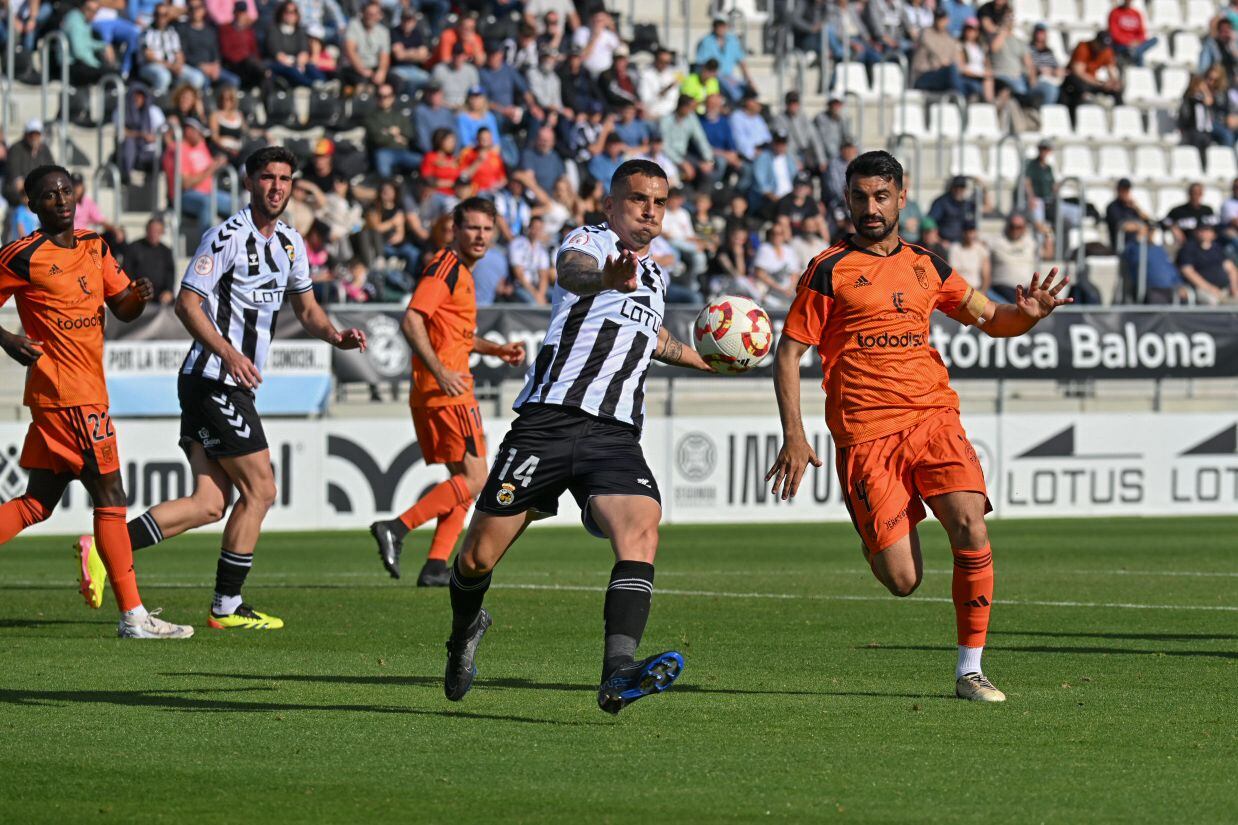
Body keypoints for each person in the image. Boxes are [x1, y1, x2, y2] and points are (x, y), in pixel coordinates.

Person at [766, 150, 1071, 703]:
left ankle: (970, 670)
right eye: (859, 197)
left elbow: (991, 318)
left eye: (881, 196)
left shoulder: (928, 265)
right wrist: (795, 434)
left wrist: (1027, 313)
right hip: (865, 434)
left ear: (901, 198)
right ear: (848, 200)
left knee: (970, 524)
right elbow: (788, 355)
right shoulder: (829, 270)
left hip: (933, 418)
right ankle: (876, 534)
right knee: (903, 580)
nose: (870, 208)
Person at [439, 160, 713, 714]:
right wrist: (607, 278)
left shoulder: (656, 276)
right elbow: (572, 272)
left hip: (614, 434)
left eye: (659, 203)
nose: (649, 211)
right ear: (611, 204)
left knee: (641, 529)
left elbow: (653, 339)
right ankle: (465, 630)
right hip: (548, 423)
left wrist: (711, 361)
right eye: (638, 199)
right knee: (475, 560)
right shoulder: (589, 241)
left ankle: (618, 673)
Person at [97, 147, 368, 630]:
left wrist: (335, 334)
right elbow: (187, 304)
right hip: (213, 379)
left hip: (222, 381)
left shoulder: (289, 243)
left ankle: (106, 547)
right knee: (262, 490)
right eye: (268, 178)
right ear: (249, 182)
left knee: (209, 503)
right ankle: (226, 606)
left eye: (285, 178)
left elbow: (306, 310)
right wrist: (228, 352)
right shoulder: (226, 236)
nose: (277, 187)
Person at [0, 165, 192, 638]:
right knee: (111, 496)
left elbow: (121, 306)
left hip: (83, 391)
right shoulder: (21, 256)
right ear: (32, 206)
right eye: (48, 195)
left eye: (66, 191)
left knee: (37, 504)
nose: (60, 200)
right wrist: (7, 339)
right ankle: (134, 616)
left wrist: (138, 297)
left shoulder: (95, 245)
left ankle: (134, 616)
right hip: (68, 395)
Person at [370, 198, 526, 585]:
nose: (480, 236)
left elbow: (458, 335)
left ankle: (436, 565)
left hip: (439, 389)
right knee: (476, 479)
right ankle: (397, 528)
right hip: (448, 391)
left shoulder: (462, 272)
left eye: (487, 229)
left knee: (462, 482)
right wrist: (441, 372)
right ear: (454, 229)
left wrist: (496, 349)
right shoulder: (446, 268)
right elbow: (411, 320)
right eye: (472, 227)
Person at [1060, 31, 1123, 115]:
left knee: (1116, 91)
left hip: (1092, 81)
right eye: (1101, 45)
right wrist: (1099, 83)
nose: (1102, 48)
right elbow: (1078, 72)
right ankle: (1075, 120)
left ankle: (1121, 115)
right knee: (1079, 88)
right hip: (1075, 80)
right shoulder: (1083, 47)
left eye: (1104, 46)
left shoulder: (1106, 50)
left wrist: (1114, 83)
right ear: (1095, 42)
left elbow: (1111, 70)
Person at [1176, 219, 1238, 303]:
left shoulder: (1217, 248)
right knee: (1211, 301)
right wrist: (1210, 288)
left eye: (1208, 230)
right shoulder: (1188, 249)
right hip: (1202, 289)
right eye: (1201, 230)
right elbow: (1188, 272)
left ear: (1213, 233)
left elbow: (1231, 269)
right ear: (1196, 232)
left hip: (1225, 288)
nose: (1204, 233)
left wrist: (1234, 288)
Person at [366, 84, 421, 179]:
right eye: (380, 96)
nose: (383, 99)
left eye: (387, 96)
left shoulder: (400, 115)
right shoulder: (371, 117)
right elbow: (377, 139)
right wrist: (395, 134)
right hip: (384, 151)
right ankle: (387, 188)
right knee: (383, 166)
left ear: (393, 97)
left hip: (403, 151)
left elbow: (410, 133)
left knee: (425, 162)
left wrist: (387, 132)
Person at [696, 16, 752, 101]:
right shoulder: (706, 41)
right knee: (732, 91)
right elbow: (702, 63)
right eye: (718, 26)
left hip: (728, 76)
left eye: (723, 26)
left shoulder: (733, 40)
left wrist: (748, 79)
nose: (721, 29)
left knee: (745, 89)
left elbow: (741, 61)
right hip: (713, 76)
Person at [124, 216, 177, 304]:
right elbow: (127, 272)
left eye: (157, 231)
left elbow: (170, 274)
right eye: (152, 230)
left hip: (160, 296)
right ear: (147, 230)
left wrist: (169, 291)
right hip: (138, 294)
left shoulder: (166, 251)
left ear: (162, 232)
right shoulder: (134, 247)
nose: (154, 233)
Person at [341, 1, 390, 89]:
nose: (371, 17)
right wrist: (362, 70)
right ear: (363, 14)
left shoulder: (383, 32)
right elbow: (351, 50)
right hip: (354, 68)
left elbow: (384, 55)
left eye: (374, 14)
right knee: (362, 83)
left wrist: (382, 71)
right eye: (369, 14)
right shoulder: (354, 25)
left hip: (374, 68)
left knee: (394, 80)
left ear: (379, 16)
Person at [988, 213, 1038, 302]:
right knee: (1017, 303)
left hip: (1026, 287)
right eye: (1012, 226)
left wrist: (1048, 234)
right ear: (1007, 226)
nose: (1015, 230)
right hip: (1002, 286)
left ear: (1024, 228)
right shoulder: (995, 242)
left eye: (1019, 227)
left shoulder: (1031, 242)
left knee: (1049, 300)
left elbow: (1048, 254)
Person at [1104, 177, 1151, 249]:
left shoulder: (1132, 207)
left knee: (1152, 229)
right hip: (1124, 245)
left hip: (1138, 244)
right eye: (1123, 190)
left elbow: (1147, 220)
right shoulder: (1112, 207)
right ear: (1118, 190)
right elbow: (1121, 225)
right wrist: (1140, 227)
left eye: (1127, 190)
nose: (1125, 193)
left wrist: (1136, 207)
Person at [928, 176, 976, 245]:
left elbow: (971, 226)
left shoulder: (967, 204)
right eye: (956, 187)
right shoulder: (941, 202)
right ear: (951, 188)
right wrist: (939, 240)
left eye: (961, 187)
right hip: (944, 242)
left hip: (962, 243)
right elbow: (930, 222)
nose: (958, 190)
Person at [1108, 0, 1157, 67]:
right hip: (1121, 44)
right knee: (1138, 51)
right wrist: (1129, 42)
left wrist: (1136, 42)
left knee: (1154, 40)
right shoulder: (1115, 12)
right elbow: (1114, 33)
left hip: (1136, 44)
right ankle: (1139, 66)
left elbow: (1142, 33)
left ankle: (1134, 52)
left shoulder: (1136, 13)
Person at [949, 221, 990, 292]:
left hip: (977, 290)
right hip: (959, 290)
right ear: (963, 233)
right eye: (967, 232)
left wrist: (983, 291)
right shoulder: (954, 248)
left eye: (972, 231)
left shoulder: (981, 249)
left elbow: (986, 275)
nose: (969, 235)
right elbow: (952, 273)